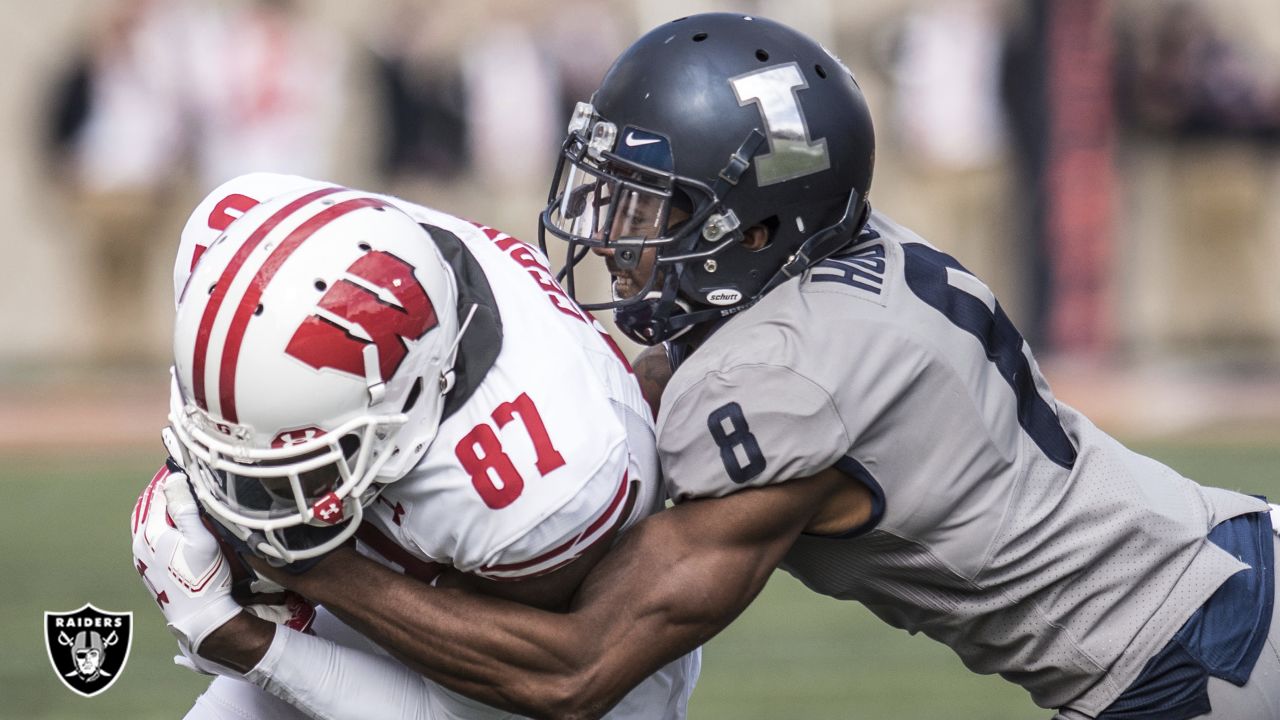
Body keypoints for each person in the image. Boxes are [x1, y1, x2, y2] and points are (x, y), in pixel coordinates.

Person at [218, 13, 1280, 720]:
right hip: (1224, 556)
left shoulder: (781, 377)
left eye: (646, 204)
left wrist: (310, 564)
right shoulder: (831, 253)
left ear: (758, 226)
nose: (612, 232)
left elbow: (577, 666)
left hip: (1188, 656)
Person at [129, 172, 700, 719]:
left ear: (404, 406)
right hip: (402, 566)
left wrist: (243, 635)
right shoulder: (240, 228)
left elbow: (478, 709)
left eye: (295, 462)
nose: (257, 493)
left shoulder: (545, 483)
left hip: (548, 669)